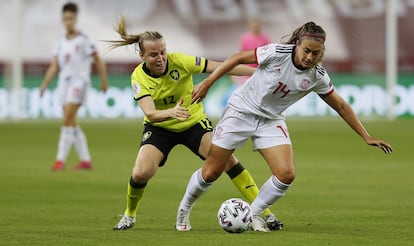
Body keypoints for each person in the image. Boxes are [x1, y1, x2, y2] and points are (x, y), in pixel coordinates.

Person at [176, 21, 393, 232]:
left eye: (316, 53)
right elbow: (237, 58)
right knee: (211, 172)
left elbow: (341, 106)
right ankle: (184, 210)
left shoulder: (317, 76)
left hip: (271, 120)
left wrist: (366, 136)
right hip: (240, 112)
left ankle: (251, 215)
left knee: (286, 174)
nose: (310, 57)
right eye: (307, 50)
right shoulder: (277, 52)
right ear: (298, 43)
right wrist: (207, 82)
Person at [109, 16, 282, 231]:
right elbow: (151, 114)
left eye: (162, 51)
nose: (161, 58)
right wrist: (172, 112)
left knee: (228, 161)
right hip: (160, 128)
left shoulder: (180, 61)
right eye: (153, 54)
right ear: (142, 55)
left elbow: (221, 67)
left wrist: (257, 72)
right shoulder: (138, 77)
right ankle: (129, 215)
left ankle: (266, 213)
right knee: (140, 173)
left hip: (194, 124)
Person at [40, 2, 108, 170]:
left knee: (67, 119)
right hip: (64, 82)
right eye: (65, 18)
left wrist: (103, 80)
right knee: (71, 121)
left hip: (79, 81)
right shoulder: (59, 41)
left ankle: (60, 160)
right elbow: (54, 65)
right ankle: (85, 160)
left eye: (70, 18)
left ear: (75, 19)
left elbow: (98, 59)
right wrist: (44, 85)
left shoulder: (84, 40)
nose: (68, 21)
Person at [222, 17, 271, 107]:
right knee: (244, 92)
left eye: (257, 26)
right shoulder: (245, 38)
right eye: (254, 26)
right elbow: (241, 55)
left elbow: (269, 56)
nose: (256, 27)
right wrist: (235, 71)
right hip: (247, 71)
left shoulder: (264, 38)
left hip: (260, 70)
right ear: (251, 26)